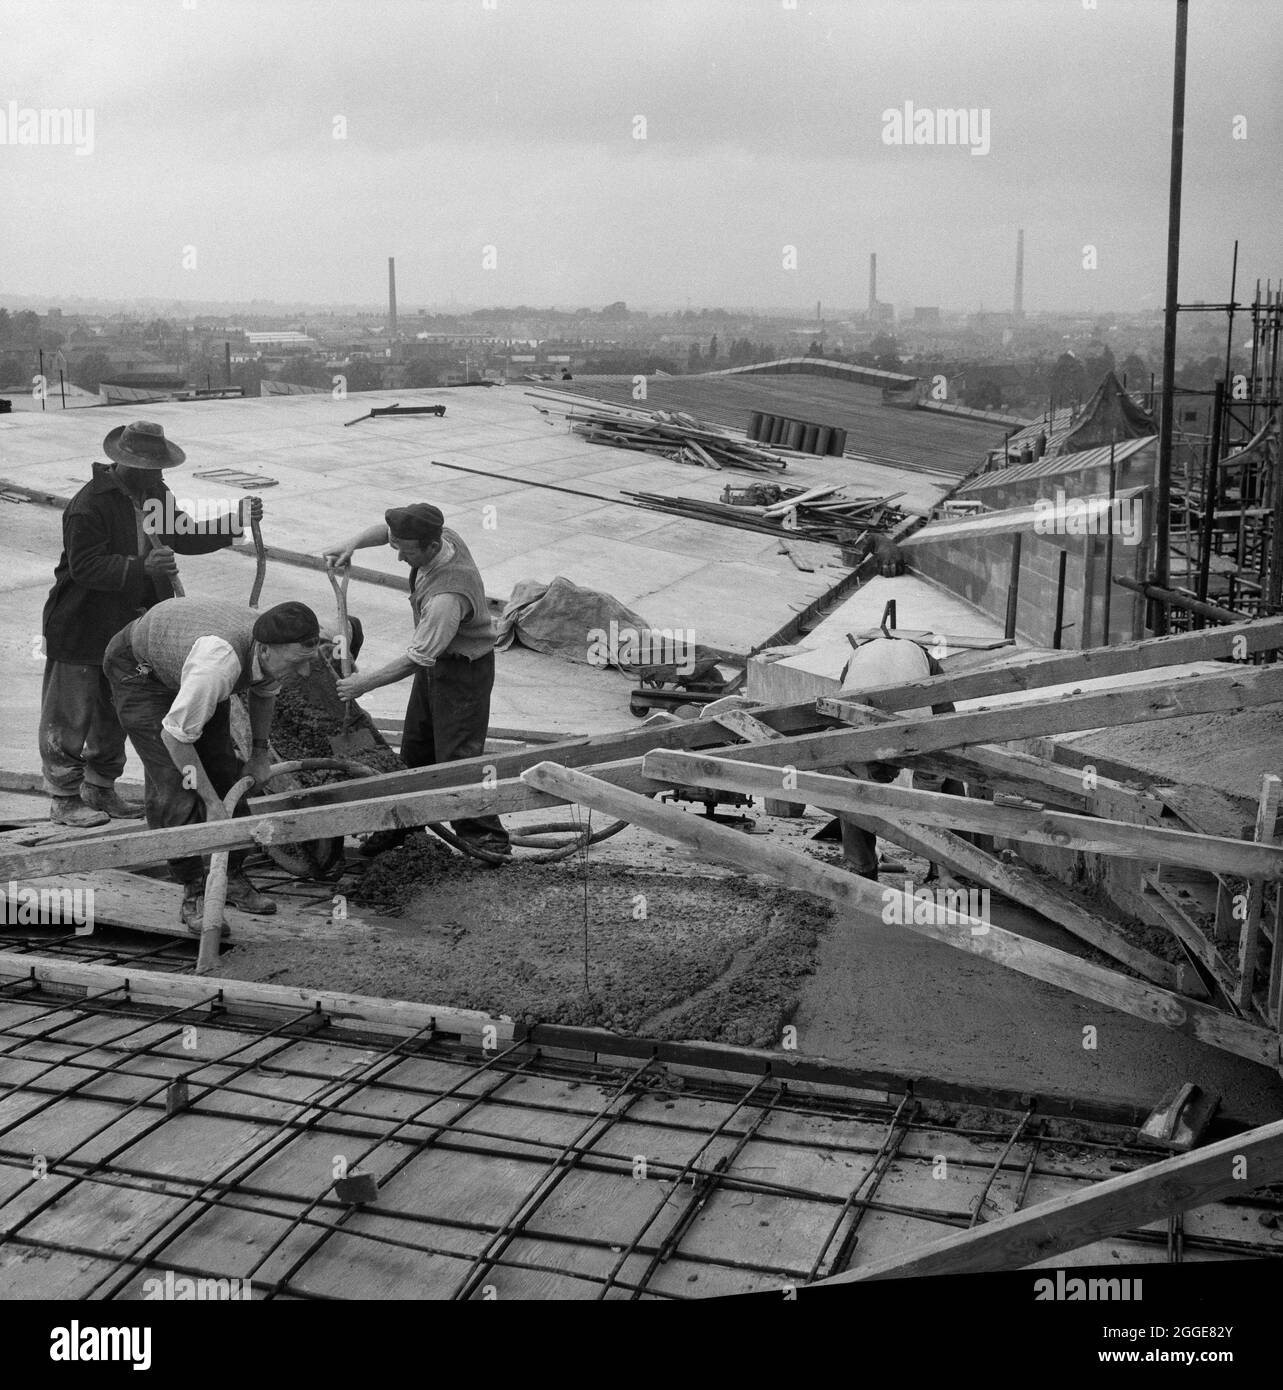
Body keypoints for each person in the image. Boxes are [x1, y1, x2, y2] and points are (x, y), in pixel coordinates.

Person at [40, 420, 262, 827]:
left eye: (161, 467)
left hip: (130, 631)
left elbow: (183, 535)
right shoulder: (89, 505)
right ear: (125, 463)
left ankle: (99, 787)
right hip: (82, 626)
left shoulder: (155, 493)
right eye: (152, 467)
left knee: (115, 714)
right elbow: (86, 567)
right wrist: (141, 568)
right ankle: (64, 797)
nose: (160, 474)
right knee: (70, 716)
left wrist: (234, 521)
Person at [103, 597, 322, 933]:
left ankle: (230, 878)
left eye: (309, 662)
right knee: (176, 787)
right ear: (263, 650)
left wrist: (259, 755)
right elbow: (176, 737)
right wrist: (208, 801)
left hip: (186, 665)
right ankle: (193, 891)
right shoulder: (218, 665)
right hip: (141, 672)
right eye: (298, 663)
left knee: (224, 772)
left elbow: (264, 693)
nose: (304, 672)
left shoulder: (277, 644)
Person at [322, 504, 510, 860]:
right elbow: (387, 531)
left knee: (457, 760)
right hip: (437, 664)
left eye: (407, 553)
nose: (400, 559)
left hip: (463, 673)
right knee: (416, 748)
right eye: (399, 548)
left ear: (432, 547)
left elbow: (417, 657)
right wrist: (353, 544)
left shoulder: (447, 597)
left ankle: (487, 840)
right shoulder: (440, 535)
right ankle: (404, 829)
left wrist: (364, 684)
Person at [828, 635, 968, 879]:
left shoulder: (858, 657)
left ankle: (862, 867)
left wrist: (866, 771)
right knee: (948, 774)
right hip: (904, 719)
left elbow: (841, 717)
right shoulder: (921, 659)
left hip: (880, 717)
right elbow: (947, 728)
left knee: (853, 787)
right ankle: (957, 865)